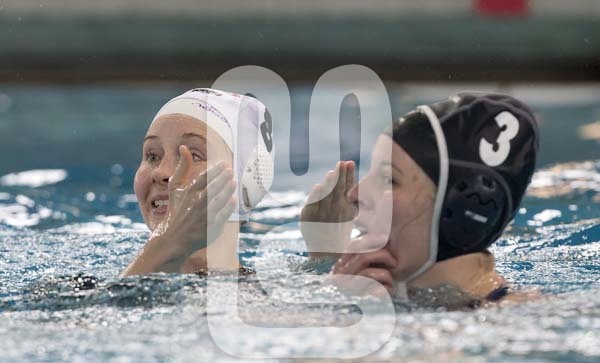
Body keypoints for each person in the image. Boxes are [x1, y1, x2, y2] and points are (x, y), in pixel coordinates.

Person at [301, 93, 540, 307]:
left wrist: (347, 312)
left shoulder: (518, 319)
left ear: (463, 210)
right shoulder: (403, 296)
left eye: (389, 179)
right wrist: (327, 259)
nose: (355, 194)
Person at [122, 89, 274, 276]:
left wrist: (169, 244)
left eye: (194, 155)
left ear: (247, 181)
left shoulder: (267, 292)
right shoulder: (92, 284)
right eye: (152, 156)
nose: (161, 172)